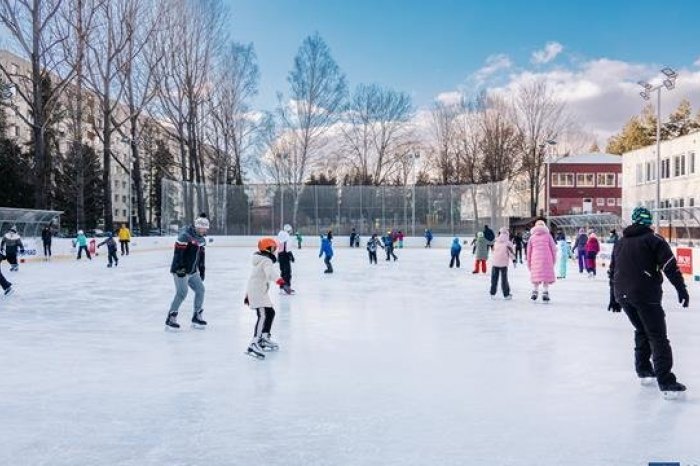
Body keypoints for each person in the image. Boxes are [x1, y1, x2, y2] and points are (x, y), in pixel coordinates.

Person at [608, 206, 689, 398]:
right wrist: (681, 289)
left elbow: (613, 271)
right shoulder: (654, 240)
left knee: (641, 330)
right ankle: (666, 382)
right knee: (658, 336)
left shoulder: (620, 242)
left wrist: (613, 297)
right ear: (649, 222)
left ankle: (644, 371)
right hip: (645, 295)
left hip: (623, 295)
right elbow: (670, 266)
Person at [165, 214, 209, 330]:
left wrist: (202, 270)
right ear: (198, 227)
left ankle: (197, 315)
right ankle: (171, 317)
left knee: (200, 290)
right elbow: (178, 254)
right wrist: (180, 268)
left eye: (206, 229)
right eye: (204, 228)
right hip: (181, 270)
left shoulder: (202, 239)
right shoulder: (185, 236)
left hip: (193, 271)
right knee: (182, 293)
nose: (205, 230)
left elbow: (201, 256)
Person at [243, 237, 285, 359]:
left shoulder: (261, 259)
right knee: (263, 315)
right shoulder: (266, 261)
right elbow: (270, 273)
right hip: (257, 292)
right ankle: (254, 342)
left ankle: (264, 338)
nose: (274, 251)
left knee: (270, 312)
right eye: (273, 249)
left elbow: (253, 278)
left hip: (259, 292)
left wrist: (247, 294)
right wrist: (280, 281)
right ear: (267, 249)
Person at [526, 220, 556, 302]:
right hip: (547, 258)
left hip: (535, 258)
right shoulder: (548, 236)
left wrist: (529, 263)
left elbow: (528, 251)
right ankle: (545, 292)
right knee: (545, 276)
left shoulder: (532, 237)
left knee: (536, 275)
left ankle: (535, 291)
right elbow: (553, 249)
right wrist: (553, 260)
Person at [490, 227, 514, 299]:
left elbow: (493, 251)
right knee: (504, 279)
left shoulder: (496, 241)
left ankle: (492, 293)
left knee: (494, 278)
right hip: (503, 264)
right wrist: (514, 260)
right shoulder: (508, 243)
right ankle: (506, 294)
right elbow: (511, 252)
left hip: (495, 263)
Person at [277, 224, 295, 295]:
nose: (291, 232)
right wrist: (291, 256)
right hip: (285, 255)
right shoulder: (287, 237)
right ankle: (287, 288)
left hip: (280, 255)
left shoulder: (280, 235)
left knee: (282, 272)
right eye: (290, 231)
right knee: (287, 273)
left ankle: (281, 288)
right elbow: (288, 248)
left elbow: (279, 247)